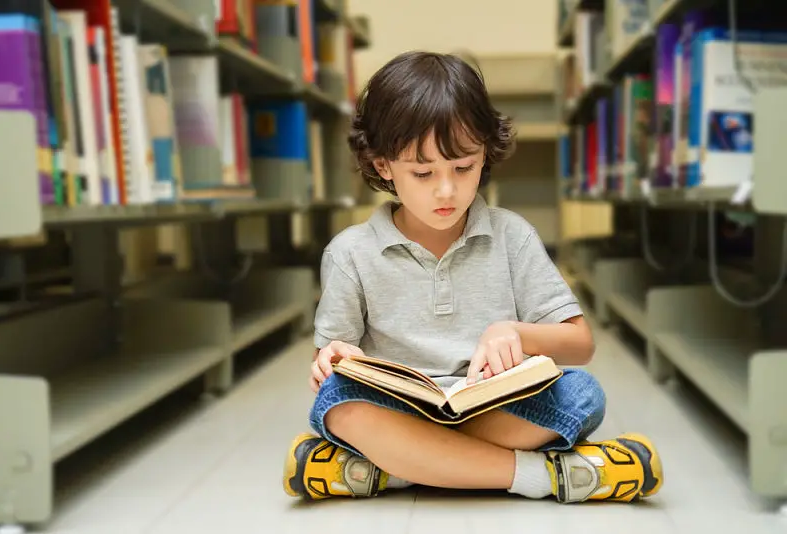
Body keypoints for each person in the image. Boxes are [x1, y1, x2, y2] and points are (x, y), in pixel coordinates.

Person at [282, 51, 663, 504]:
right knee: (336, 402)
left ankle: (397, 467)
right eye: (423, 173)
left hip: (492, 408)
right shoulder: (350, 252)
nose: (447, 190)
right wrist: (334, 355)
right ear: (383, 166)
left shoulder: (512, 236)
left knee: (582, 394)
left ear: (485, 153)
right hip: (401, 408)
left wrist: (515, 332)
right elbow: (331, 359)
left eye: (464, 168)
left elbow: (580, 344)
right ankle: (543, 476)